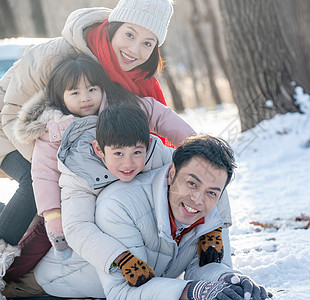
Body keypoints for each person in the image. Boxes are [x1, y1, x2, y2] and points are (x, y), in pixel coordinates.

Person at [0, 0, 229, 289]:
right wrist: (64, 163)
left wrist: (197, 149)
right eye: (129, 35)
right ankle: (5, 262)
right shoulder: (57, 55)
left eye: (147, 43)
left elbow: (157, 118)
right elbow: (11, 113)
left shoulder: (129, 82)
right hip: (14, 129)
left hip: (70, 136)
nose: (135, 50)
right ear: (112, 28)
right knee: (40, 193)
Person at [1, 54, 196, 293]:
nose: (85, 98)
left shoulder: (121, 108)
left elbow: (159, 115)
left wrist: (195, 147)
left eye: (92, 89)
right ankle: (11, 274)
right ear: (61, 97)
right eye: (74, 93)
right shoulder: (55, 128)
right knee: (41, 241)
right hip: (72, 198)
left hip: (119, 193)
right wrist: (53, 216)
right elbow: (43, 174)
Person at [31, 135, 271, 300]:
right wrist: (194, 292)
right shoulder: (120, 204)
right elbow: (123, 292)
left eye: (211, 192)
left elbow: (205, 268)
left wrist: (228, 280)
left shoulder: (212, 208)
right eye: (191, 184)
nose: (198, 200)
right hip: (56, 284)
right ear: (172, 172)